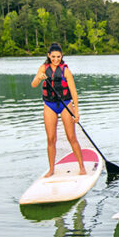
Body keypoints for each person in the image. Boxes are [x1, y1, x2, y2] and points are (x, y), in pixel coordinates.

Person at [31, 43, 86, 178]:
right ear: (49, 56)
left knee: (71, 137)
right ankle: (51, 169)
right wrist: (39, 77)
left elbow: (73, 93)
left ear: (62, 56)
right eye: (53, 56)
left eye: (58, 57)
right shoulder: (43, 68)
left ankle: (82, 167)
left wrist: (76, 112)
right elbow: (33, 84)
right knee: (51, 139)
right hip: (49, 105)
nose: (56, 59)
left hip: (65, 104)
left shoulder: (65, 71)